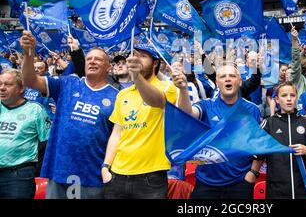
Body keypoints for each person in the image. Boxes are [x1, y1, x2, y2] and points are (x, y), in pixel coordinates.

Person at [20, 31, 119, 199]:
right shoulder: (67, 83)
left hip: (92, 175)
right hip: (59, 170)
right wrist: (29, 54)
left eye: (98, 59)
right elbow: (30, 80)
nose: (92, 61)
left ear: (108, 67)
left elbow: (117, 136)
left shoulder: (117, 96)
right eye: (89, 58)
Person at [172, 63, 261, 199]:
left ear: (240, 81)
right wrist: (183, 89)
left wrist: (253, 173)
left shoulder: (253, 110)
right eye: (223, 76)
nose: (227, 79)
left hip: (240, 183)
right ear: (217, 82)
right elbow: (187, 114)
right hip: (206, 183)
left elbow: (259, 146)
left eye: (232, 76)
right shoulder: (206, 105)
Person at [101, 44, 178, 199]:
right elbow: (117, 133)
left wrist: (137, 77)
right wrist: (105, 167)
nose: (136, 59)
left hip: (151, 176)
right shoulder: (123, 94)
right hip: (117, 175)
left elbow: (155, 100)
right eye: (135, 55)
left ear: (155, 63)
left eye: (143, 56)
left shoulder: (167, 87)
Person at [251, 82, 306, 199]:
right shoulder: (269, 123)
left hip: (304, 190)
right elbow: (256, 153)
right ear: (277, 100)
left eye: (292, 95)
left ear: (297, 98)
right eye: (284, 96)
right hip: (276, 190)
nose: (289, 99)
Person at [0, 69, 50, 199]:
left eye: (8, 84)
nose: (2, 88)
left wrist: (37, 171)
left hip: (18, 176)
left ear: (21, 88)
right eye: (0, 84)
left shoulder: (35, 110)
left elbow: (46, 144)